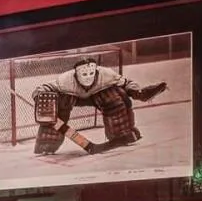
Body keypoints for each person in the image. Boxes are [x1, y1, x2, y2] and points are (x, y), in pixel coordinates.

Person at [32, 57, 168, 156]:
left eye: (91, 73)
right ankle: (47, 144)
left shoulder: (106, 74)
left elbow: (126, 83)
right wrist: (39, 96)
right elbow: (43, 88)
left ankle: (121, 135)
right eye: (84, 74)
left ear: (96, 71)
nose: (88, 77)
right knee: (57, 105)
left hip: (98, 95)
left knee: (114, 97)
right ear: (76, 74)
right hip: (73, 97)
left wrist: (137, 92)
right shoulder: (65, 80)